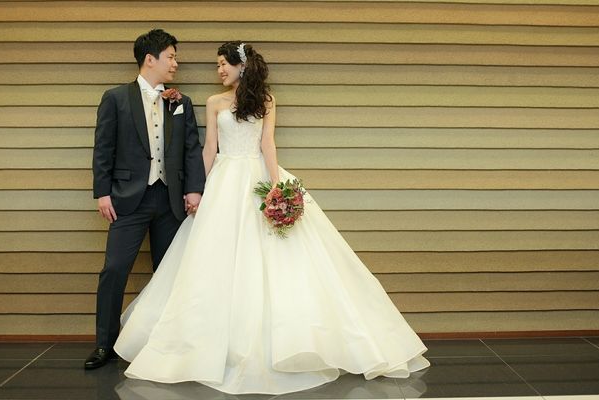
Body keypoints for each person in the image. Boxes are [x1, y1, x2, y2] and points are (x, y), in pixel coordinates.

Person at [113, 41, 429, 394]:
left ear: (241, 66)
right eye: (217, 65)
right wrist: (197, 190)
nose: (219, 70)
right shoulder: (215, 102)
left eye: (223, 64)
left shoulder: (266, 101)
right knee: (213, 257)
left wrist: (277, 188)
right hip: (224, 181)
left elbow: (268, 145)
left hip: (257, 176)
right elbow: (210, 148)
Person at [85, 29, 206, 370]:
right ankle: (105, 344)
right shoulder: (116, 98)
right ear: (150, 59)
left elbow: (191, 149)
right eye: (171, 57)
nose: (175, 63)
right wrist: (102, 192)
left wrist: (194, 189)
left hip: (170, 200)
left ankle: (166, 343)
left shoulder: (180, 102)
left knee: (169, 273)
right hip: (128, 200)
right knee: (114, 269)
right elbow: (103, 148)